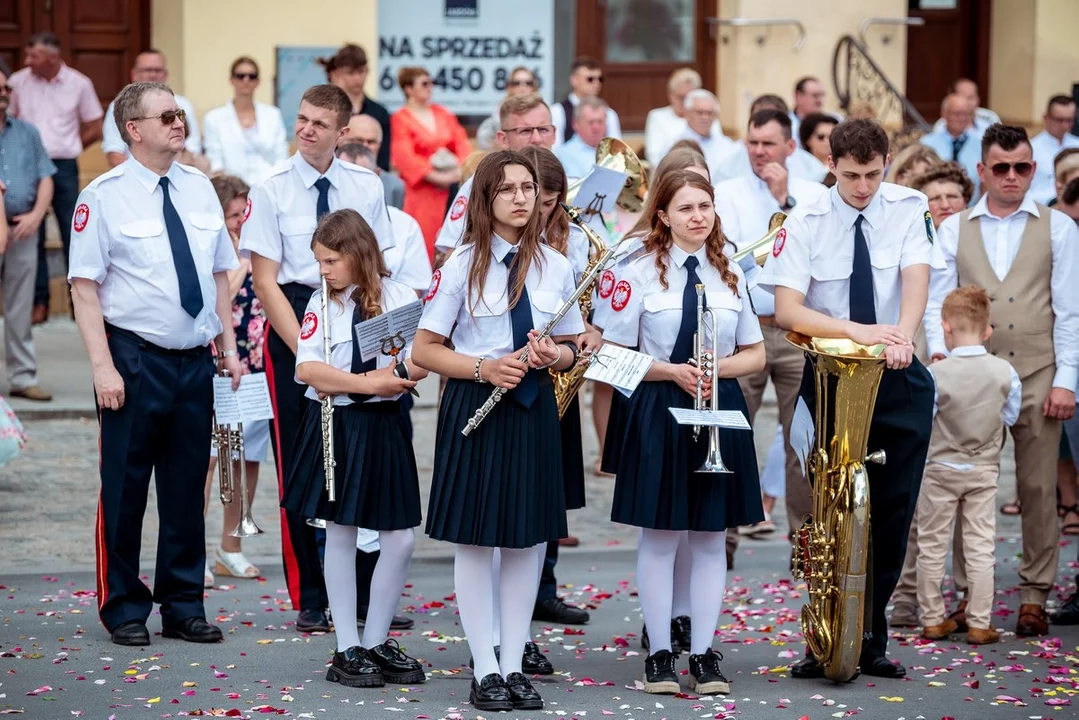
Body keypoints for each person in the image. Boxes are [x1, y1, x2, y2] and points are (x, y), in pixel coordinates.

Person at [760, 118, 940, 679]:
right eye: (851, 175)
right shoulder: (805, 218)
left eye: (872, 173)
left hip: (896, 366)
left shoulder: (910, 206)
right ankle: (825, 637)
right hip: (831, 372)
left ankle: (871, 637)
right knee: (831, 513)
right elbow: (787, 309)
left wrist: (901, 336)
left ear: (886, 161)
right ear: (831, 166)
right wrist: (857, 331)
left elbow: (916, 279)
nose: (862, 186)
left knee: (890, 512)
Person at [68, 81, 241, 647]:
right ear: (133, 130)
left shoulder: (198, 189)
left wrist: (226, 343)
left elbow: (219, 272)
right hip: (133, 355)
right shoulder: (103, 196)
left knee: (188, 483)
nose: (178, 122)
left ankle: (183, 601)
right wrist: (102, 367)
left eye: (180, 112)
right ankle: (122, 605)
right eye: (165, 115)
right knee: (125, 486)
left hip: (194, 357)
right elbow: (85, 288)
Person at [412, 150, 584, 712]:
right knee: (477, 537)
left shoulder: (557, 265)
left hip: (532, 407)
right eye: (506, 188)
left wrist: (551, 353)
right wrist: (485, 366)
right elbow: (426, 350)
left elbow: (571, 349)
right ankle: (483, 667)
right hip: (477, 401)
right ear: (486, 198)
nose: (519, 196)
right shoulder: (463, 264)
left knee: (526, 537)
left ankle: (513, 664)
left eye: (528, 187)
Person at [602, 169, 764, 695]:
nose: (698, 217)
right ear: (663, 215)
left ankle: (703, 653)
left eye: (705, 206)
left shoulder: (733, 269)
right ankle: (658, 654)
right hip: (660, 404)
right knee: (662, 535)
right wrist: (670, 371)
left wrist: (717, 370)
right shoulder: (638, 269)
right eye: (686, 208)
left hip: (718, 404)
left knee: (711, 536)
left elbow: (755, 354)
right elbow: (611, 353)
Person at [240, 84, 394, 635]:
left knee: (363, 452)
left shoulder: (364, 186)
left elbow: (377, 263)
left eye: (320, 124)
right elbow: (264, 278)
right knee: (301, 461)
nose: (307, 130)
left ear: (342, 132)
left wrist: (371, 339)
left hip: (357, 312)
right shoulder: (271, 188)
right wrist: (308, 343)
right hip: (296, 315)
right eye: (301, 120)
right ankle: (311, 593)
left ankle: (365, 593)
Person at [924, 123, 1079, 638]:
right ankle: (973, 595)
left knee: (1037, 487)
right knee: (970, 487)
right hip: (973, 379)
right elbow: (936, 304)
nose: (1013, 177)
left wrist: (1067, 380)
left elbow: (1071, 311)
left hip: (1038, 371)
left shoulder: (1058, 228)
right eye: (1002, 168)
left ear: (1034, 169)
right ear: (982, 171)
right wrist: (943, 359)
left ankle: (1035, 594)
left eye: (1024, 167)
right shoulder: (955, 229)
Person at [281, 208, 427, 688]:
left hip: (385, 424)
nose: (322, 271)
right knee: (341, 531)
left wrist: (397, 378)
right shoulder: (322, 303)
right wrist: (367, 382)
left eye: (330, 261)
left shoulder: (400, 295)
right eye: (319, 261)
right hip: (340, 419)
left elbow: (419, 359)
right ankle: (346, 646)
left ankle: (378, 639)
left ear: (358, 254)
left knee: (401, 537)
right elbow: (309, 370)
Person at [714, 108, 827, 543]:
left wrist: (784, 203)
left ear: (790, 147)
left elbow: (815, 253)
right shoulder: (726, 192)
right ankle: (721, 539)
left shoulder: (814, 195)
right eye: (753, 142)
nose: (759, 152)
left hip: (796, 333)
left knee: (803, 439)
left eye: (768, 143)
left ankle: (805, 544)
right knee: (726, 432)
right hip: (744, 332)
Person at [886, 160, 978, 628]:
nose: (943, 205)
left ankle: (968, 595)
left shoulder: (969, 245)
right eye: (934, 198)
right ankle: (907, 596)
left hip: (969, 378)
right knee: (917, 490)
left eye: (951, 197)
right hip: (918, 361)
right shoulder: (910, 244)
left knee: (968, 489)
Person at [915, 286, 1021, 646]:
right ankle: (979, 622)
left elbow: (925, 420)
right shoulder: (1004, 372)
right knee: (980, 545)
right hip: (983, 469)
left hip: (941, 467)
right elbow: (1010, 415)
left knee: (931, 543)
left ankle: (931, 618)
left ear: (945, 327)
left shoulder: (935, 373)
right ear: (988, 329)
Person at [518, 146, 593, 628]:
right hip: (510, 373)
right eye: (536, 201)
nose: (541, 212)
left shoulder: (576, 239)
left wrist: (591, 332)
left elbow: (592, 302)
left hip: (558, 372)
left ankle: (544, 588)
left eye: (550, 203)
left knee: (549, 490)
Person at [201, 174, 269, 588]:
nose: (241, 223)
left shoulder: (257, 249)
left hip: (257, 366)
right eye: (233, 215)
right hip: (218, 364)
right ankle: (193, 551)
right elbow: (214, 304)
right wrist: (240, 265)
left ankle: (231, 546)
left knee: (248, 458)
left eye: (245, 214)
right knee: (209, 461)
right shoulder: (213, 251)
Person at [9, 31, 103, 326]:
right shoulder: (17, 83)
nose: (26, 61)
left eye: (33, 55)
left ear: (51, 58)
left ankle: (79, 300)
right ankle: (39, 302)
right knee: (30, 233)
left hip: (63, 165)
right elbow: (7, 122)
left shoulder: (79, 83)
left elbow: (95, 124)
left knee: (72, 232)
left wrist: (73, 145)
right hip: (26, 165)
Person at [434, 93, 556, 256]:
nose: (536, 138)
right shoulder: (478, 183)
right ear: (503, 138)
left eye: (543, 129)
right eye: (525, 131)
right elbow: (452, 253)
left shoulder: (568, 179)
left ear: (554, 134)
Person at [0, 59, 55, 402]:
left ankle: (22, 377)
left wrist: (37, 215)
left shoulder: (27, 132)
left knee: (20, 308)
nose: (4, 94)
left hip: (23, 230)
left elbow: (46, 176)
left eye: (6, 88)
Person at [390, 66, 471, 260]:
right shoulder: (400, 118)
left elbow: (461, 143)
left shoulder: (443, 113)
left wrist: (460, 170)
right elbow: (403, 156)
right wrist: (435, 176)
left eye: (431, 82)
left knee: (452, 239)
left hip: (451, 189)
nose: (430, 87)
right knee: (422, 243)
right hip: (421, 193)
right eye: (424, 83)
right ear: (408, 89)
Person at [339, 143, 432, 294]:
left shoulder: (405, 224)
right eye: (347, 178)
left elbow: (414, 289)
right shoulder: (321, 217)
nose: (355, 186)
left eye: (362, 177)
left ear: (377, 176)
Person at [103, 50, 200, 167]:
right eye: (147, 70)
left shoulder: (183, 104)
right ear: (134, 74)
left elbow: (193, 147)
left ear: (166, 75)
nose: (153, 75)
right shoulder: (120, 106)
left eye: (158, 70)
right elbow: (114, 153)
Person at [202, 57, 288, 187]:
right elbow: (215, 160)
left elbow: (281, 155)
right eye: (240, 76)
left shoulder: (273, 115)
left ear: (258, 81)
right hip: (231, 191)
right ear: (231, 80)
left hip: (270, 187)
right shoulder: (214, 118)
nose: (246, 80)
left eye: (252, 76)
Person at [714, 95, 827, 184]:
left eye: (768, 143)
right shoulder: (727, 172)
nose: (759, 151)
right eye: (760, 119)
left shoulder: (812, 170)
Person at [320, 43, 391, 171]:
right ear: (337, 74)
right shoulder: (327, 111)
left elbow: (384, 158)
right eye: (350, 73)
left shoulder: (380, 112)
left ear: (367, 71)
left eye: (361, 72)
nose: (357, 78)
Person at [644, 68, 719, 167]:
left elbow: (718, 150)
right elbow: (654, 157)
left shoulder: (707, 117)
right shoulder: (657, 117)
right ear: (670, 95)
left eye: (691, 96)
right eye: (682, 97)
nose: (686, 101)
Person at [920, 94, 984, 202]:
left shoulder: (980, 145)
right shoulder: (926, 143)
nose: (961, 118)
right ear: (944, 114)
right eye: (956, 113)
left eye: (966, 114)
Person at [337, 114, 405, 209]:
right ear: (340, 140)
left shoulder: (393, 186)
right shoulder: (324, 177)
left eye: (371, 142)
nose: (365, 146)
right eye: (358, 140)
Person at [552, 56, 622, 147]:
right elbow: (555, 149)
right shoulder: (557, 112)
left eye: (600, 79)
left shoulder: (609, 113)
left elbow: (615, 149)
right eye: (590, 79)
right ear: (574, 80)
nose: (596, 83)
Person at [675, 89, 735, 181]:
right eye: (700, 112)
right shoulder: (675, 145)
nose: (705, 117)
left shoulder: (727, 145)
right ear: (687, 113)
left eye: (709, 113)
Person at [1030, 95, 1079, 204]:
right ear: (1046, 117)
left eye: (1069, 120)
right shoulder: (1031, 148)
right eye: (1060, 120)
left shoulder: (1077, 144)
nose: (1065, 125)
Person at [477, 67, 538, 151]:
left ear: (534, 87)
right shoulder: (493, 124)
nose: (522, 87)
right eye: (516, 83)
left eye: (528, 83)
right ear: (509, 87)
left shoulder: (543, 118)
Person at [554, 96, 608, 180]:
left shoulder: (613, 151)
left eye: (600, 122)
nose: (596, 127)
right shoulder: (565, 154)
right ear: (576, 124)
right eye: (591, 122)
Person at [931, 78, 1000, 134]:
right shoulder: (943, 124)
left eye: (971, 97)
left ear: (978, 99)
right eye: (963, 97)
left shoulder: (990, 117)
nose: (967, 102)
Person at [798, 112, 838, 186]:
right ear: (808, 140)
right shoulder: (797, 166)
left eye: (832, 136)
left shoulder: (843, 166)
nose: (827, 141)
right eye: (821, 137)